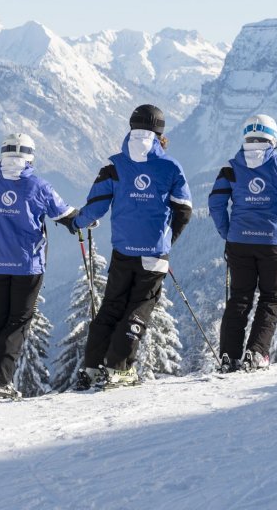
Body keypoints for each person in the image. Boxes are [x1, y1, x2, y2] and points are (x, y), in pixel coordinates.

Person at [70, 104, 192, 389]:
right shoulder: (170, 167)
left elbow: (95, 206)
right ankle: (118, 368)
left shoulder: (114, 166)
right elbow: (184, 210)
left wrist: (77, 223)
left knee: (111, 307)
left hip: (123, 251)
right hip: (153, 253)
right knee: (139, 309)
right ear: (161, 132)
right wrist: (166, 240)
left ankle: (91, 368)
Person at [0, 132, 77, 400]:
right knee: (17, 323)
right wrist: (85, 221)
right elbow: (65, 214)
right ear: (31, 155)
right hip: (27, 267)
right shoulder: (39, 186)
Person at [208, 114, 277, 372]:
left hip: (239, 242)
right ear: (272, 138)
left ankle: (229, 356)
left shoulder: (230, 168)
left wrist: (227, 231)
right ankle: (257, 353)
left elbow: (216, 202)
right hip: (273, 243)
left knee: (239, 298)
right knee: (271, 299)